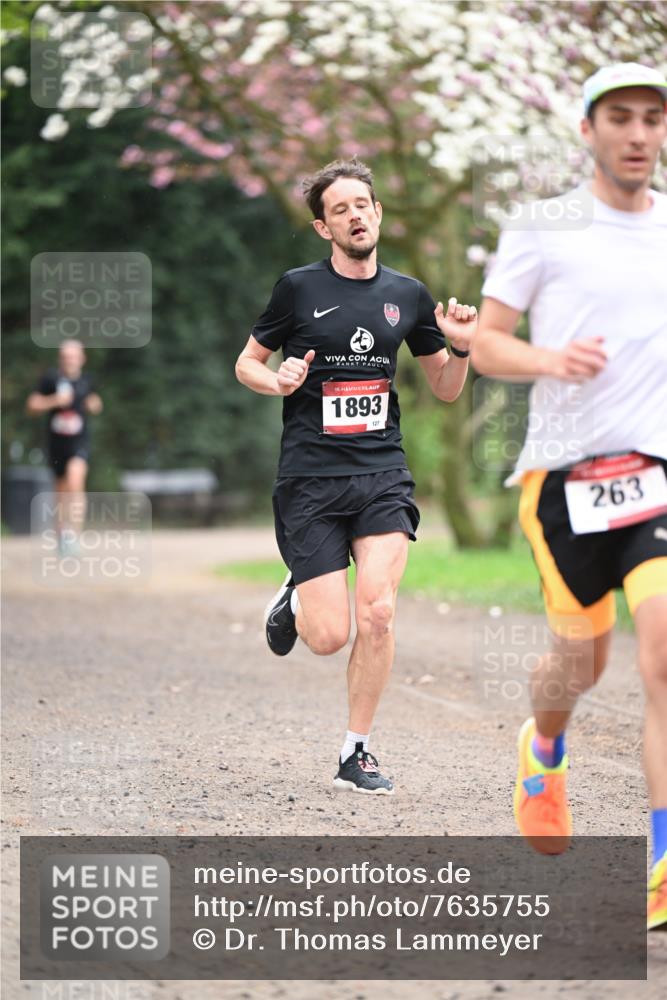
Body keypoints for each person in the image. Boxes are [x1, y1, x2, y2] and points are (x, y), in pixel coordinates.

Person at [472, 63, 667, 929]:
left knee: (662, 655)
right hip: (564, 481)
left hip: (656, 470)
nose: (636, 134)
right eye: (619, 117)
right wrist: (550, 361)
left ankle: (662, 864)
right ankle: (542, 747)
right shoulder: (543, 228)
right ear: (587, 130)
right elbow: (484, 346)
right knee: (576, 665)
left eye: (652, 119)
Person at [236, 158, 477, 794]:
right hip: (311, 477)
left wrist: (459, 348)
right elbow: (247, 364)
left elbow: (447, 390)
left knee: (377, 613)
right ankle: (296, 591)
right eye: (341, 209)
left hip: (381, 473)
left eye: (363, 204)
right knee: (327, 637)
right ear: (324, 227)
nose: (356, 215)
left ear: (378, 213)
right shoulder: (297, 289)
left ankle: (355, 751)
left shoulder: (408, 294)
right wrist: (277, 378)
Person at [26, 339, 103, 554]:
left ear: (82, 359)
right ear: (61, 359)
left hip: (80, 442)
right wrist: (54, 401)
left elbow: (96, 401)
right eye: (65, 357)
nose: (69, 360)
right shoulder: (51, 379)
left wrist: (95, 404)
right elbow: (32, 405)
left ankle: (74, 536)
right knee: (61, 490)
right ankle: (61, 534)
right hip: (57, 444)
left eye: (73, 356)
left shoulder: (87, 380)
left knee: (75, 478)